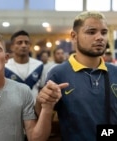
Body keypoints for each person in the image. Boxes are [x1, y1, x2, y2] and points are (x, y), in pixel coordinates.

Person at [36, 11, 117, 141]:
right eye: (91, 32)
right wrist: (41, 102)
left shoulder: (114, 72)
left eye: (103, 32)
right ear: (74, 36)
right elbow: (44, 117)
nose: (99, 37)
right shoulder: (58, 74)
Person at [5, 30, 45, 100]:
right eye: (19, 43)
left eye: (26, 43)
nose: (24, 45)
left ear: (30, 46)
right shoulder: (5, 66)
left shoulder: (39, 65)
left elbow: (42, 88)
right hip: (12, 108)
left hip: (33, 108)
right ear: (12, 47)